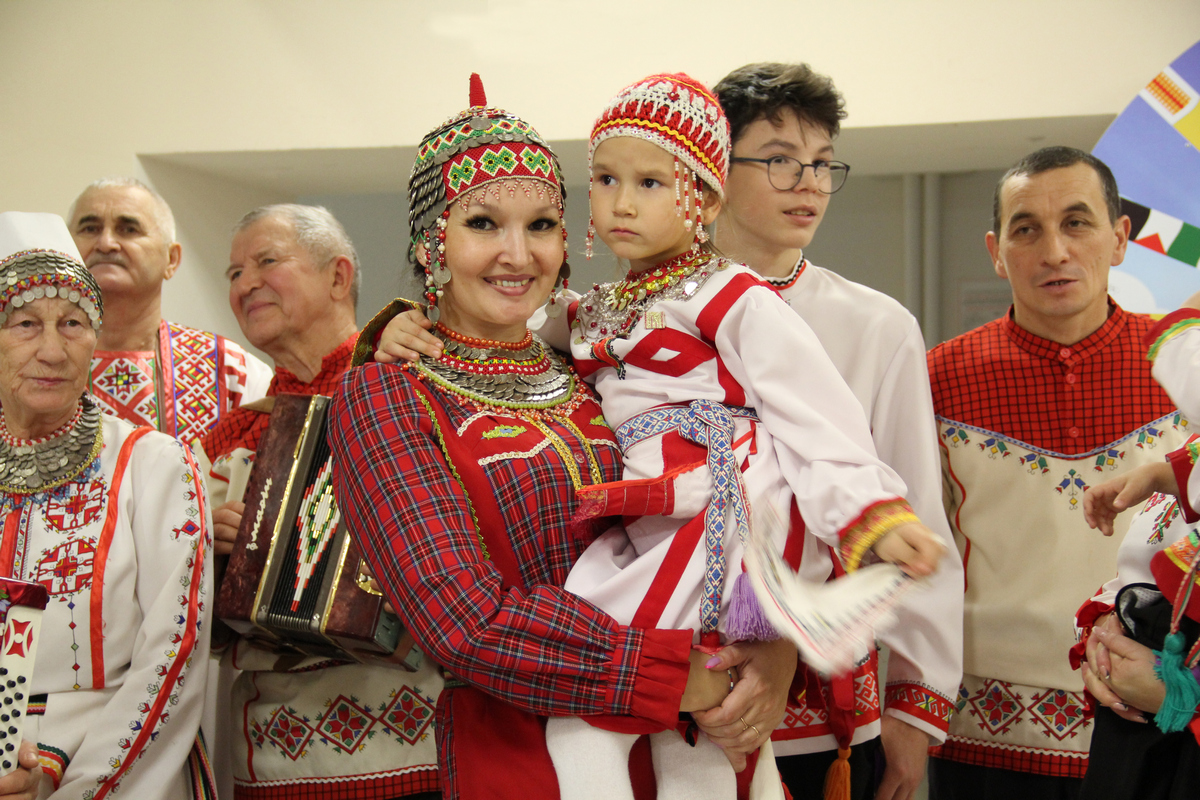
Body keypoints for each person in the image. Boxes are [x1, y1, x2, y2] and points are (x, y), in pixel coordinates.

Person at [332, 76, 800, 800]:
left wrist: (774, 651)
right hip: (529, 750)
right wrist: (682, 676)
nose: (517, 255)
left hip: (694, 741)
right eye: (483, 224)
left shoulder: (595, 366)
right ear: (432, 244)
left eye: (542, 225)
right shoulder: (390, 393)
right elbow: (461, 620)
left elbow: (736, 491)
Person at [533, 71, 942, 800]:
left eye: (652, 183)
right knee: (689, 728)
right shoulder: (594, 310)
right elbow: (507, 325)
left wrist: (873, 518)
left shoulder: (729, 294)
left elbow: (819, 419)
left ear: (705, 199)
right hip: (646, 518)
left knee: (595, 709)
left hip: (714, 516)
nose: (622, 202)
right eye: (604, 178)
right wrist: (412, 323)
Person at [711, 63, 963, 800]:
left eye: (823, 164)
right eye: (780, 159)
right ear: (711, 169)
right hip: (674, 694)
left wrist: (917, 707)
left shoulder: (877, 325)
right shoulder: (641, 316)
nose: (810, 184)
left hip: (827, 718)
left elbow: (916, 512)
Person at [925, 146, 1188, 798]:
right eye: (1026, 229)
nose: (1054, 251)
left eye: (1077, 222)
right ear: (995, 250)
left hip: (1158, 724)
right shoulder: (935, 380)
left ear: (1120, 238)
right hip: (981, 743)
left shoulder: (1187, 369)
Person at [197, 204, 442, 800]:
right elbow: (193, 625)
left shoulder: (417, 378)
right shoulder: (230, 439)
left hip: (423, 743)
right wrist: (218, 553)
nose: (245, 283)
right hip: (276, 754)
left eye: (266, 261)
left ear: (337, 277)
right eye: (233, 273)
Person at [0, 211, 212, 798]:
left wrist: (62, 777)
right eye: (23, 324)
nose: (51, 350)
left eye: (73, 323)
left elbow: (173, 651)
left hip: (117, 772)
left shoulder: (155, 462)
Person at [1071, 302, 1200, 799]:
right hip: (1140, 749)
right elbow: (1140, 573)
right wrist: (1106, 636)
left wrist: (1185, 697)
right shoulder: (1181, 468)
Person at [68, 178, 272, 445]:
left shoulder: (231, 370)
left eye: (128, 229)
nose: (106, 243)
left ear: (171, 259)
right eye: (90, 228)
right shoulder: (29, 363)